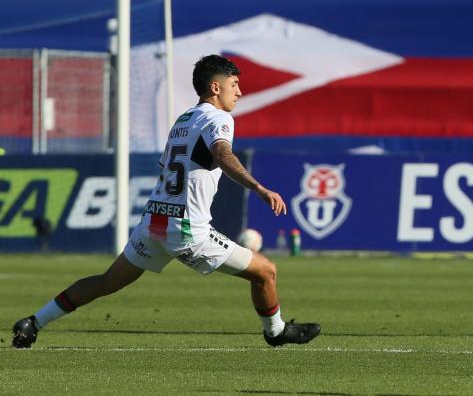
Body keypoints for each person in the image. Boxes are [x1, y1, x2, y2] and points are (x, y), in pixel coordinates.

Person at [12, 55, 320, 349]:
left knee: (108, 281)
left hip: (154, 222)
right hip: (187, 229)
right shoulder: (219, 118)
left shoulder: (184, 120)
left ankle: (34, 322)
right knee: (265, 271)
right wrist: (259, 188)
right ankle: (276, 331)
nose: (239, 91)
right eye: (234, 84)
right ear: (216, 87)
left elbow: (169, 168)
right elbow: (223, 154)